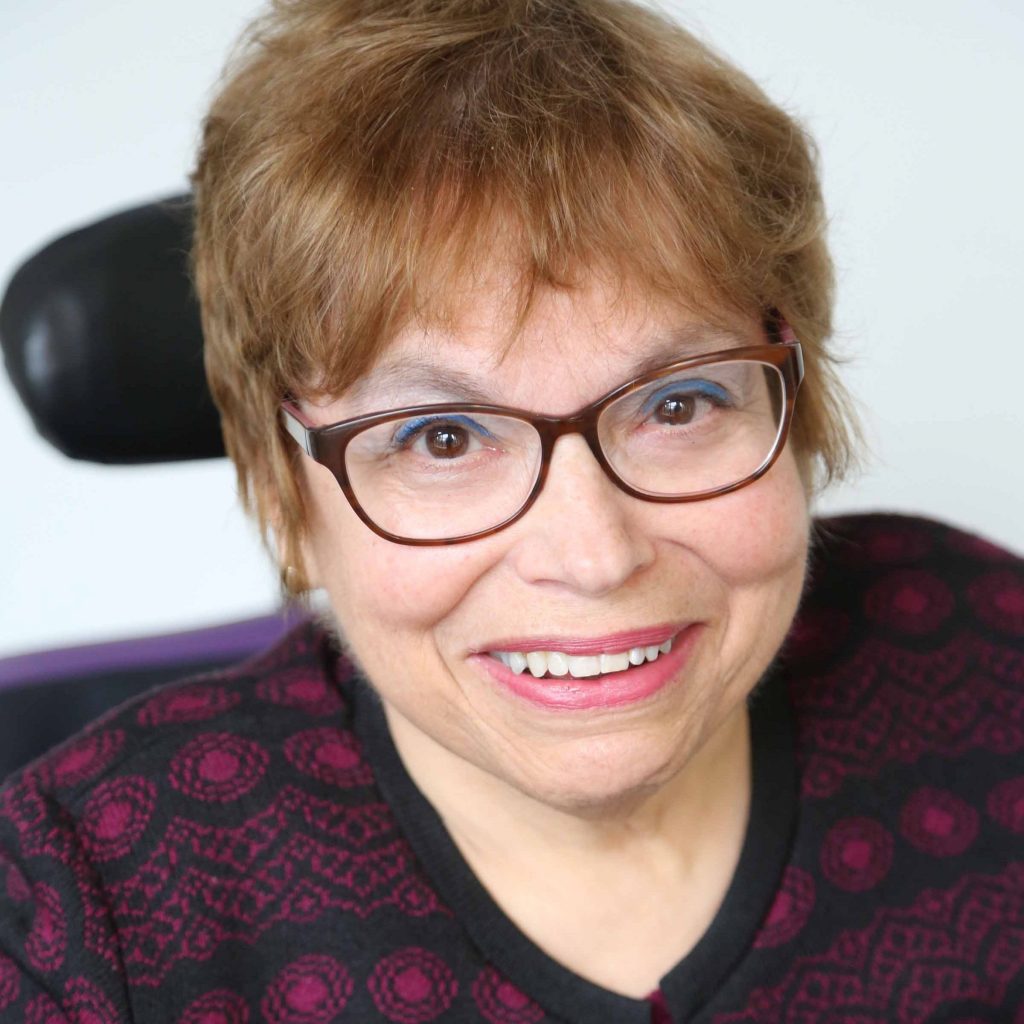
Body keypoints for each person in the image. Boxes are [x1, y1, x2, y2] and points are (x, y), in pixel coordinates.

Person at [1, 0, 1021, 1021]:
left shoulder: (986, 663)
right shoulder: (75, 917)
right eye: (442, 437)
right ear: (284, 488)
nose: (593, 554)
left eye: (678, 403)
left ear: (793, 410)